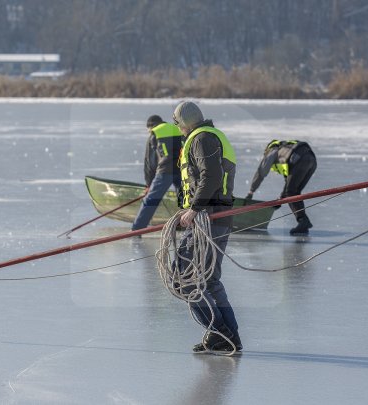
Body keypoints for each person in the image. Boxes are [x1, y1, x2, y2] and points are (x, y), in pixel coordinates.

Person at [172, 101, 242, 353]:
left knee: (184, 280)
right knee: (209, 280)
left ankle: (220, 333)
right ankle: (228, 336)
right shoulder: (207, 137)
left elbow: (211, 176)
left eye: (177, 122)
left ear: (186, 121)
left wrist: (195, 208)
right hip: (215, 216)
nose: (177, 127)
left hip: (208, 217)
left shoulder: (202, 139)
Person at [246, 140, 317, 235]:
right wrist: (280, 200)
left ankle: (303, 221)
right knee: (294, 191)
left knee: (291, 192)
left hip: (301, 160)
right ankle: (303, 222)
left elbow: (261, 172)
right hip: (312, 160)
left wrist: (251, 191)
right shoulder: (286, 150)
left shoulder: (273, 150)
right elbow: (288, 185)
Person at [131, 115, 183, 231]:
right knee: (185, 199)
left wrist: (149, 185)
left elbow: (150, 162)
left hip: (165, 171)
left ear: (151, 126)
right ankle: (189, 226)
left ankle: (137, 229)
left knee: (151, 200)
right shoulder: (177, 128)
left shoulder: (155, 133)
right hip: (182, 170)